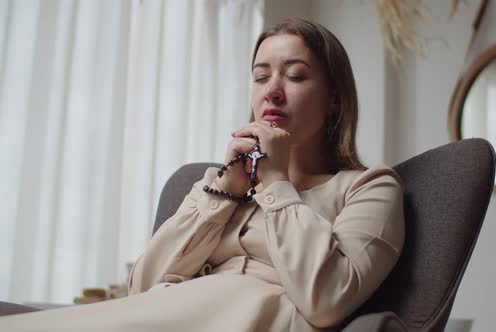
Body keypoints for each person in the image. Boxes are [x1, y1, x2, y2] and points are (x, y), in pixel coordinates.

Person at [0, 17, 404, 332]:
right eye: (261, 77)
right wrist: (223, 193)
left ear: (335, 100)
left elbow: (328, 298)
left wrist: (278, 183)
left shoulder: (369, 187)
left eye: (295, 76)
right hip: (167, 312)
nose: (272, 91)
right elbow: (142, 288)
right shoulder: (225, 183)